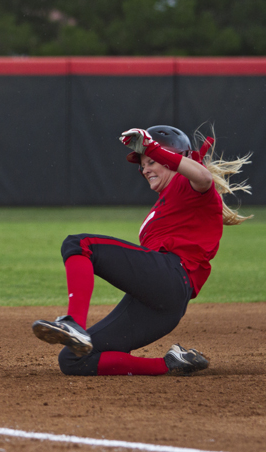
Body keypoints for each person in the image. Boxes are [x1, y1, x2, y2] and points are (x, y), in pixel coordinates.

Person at [32, 125, 252, 376]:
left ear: (173, 159)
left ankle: (74, 323)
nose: (144, 169)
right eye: (143, 164)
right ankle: (171, 363)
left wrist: (152, 147)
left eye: (151, 161)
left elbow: (203, 177)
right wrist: (153, 152)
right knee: (73, 358)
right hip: (164, 306)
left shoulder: (189, 185)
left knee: (79, 244)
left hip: (172, 277)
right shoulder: (168, 198)